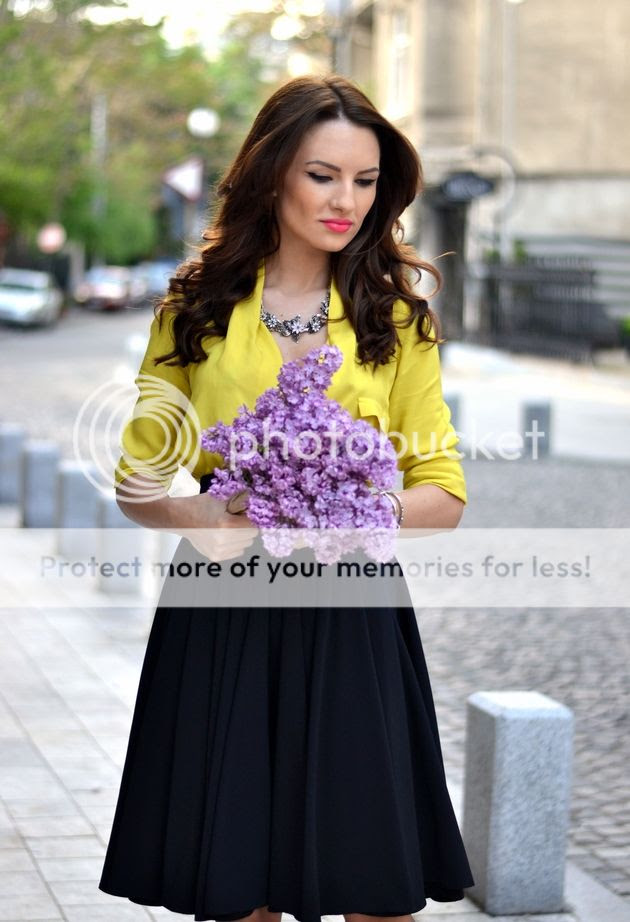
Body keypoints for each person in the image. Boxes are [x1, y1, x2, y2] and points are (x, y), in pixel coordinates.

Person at [98, 74, 474, 922]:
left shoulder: (397, 319)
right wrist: (207, 514)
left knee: (376, 889)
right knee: (238, 889)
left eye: (365, 181)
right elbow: (138, 483)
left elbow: (444, 494)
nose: (347, 201)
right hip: (223, 606)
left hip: (352, 612)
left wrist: (354, 512)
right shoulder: (193, 309)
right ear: (272, 176)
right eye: (323, 175)